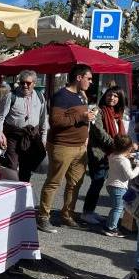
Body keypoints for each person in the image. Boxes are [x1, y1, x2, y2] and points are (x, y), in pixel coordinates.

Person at [37, 64, 95, 233]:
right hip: (62, 146)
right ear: (79, 77)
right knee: (54, 182)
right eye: (89, 78)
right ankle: (43, 217)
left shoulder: (81, 96)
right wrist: (82, 116)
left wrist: (87, 120)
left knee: (75, 183)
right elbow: (56, 122)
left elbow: (78, 118)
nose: (91, 82)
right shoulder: (61, 96)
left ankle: (67, 214)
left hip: (80, 148)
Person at [82, 86, 135, 225]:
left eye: (116, 96)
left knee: (102, 182)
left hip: (113, 154)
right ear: (105, 96)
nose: (112, 98)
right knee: (97, 182)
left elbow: (122, 134)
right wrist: (119, 147)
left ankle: (91, 211)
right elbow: (99, 132)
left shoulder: (119, 114)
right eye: (110, 95)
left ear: (120, 99)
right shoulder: (98, 110)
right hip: (100, 154)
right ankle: (87, 212)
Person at [0, 70, 48, 182]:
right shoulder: (10, 96)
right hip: (13, 137)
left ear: (34, 83)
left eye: (28, 83)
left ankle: (23, 190)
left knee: (26, 169)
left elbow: (43, 119)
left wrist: (43, 138)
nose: (25, 85)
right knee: (11, 167)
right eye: (22, 82)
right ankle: (9, 191)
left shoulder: (40, 96)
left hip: (31, 137)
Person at [103, 134, 139, 237]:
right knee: (118, 208)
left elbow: (121, 157)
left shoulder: (113, 156)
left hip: (110, 184)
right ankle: (111, 228)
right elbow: (130, 175)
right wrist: (137, 167)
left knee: (115, 207)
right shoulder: (124, 161)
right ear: (128, 148)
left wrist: (130, 156)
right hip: (119, 187)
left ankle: (108, 225)